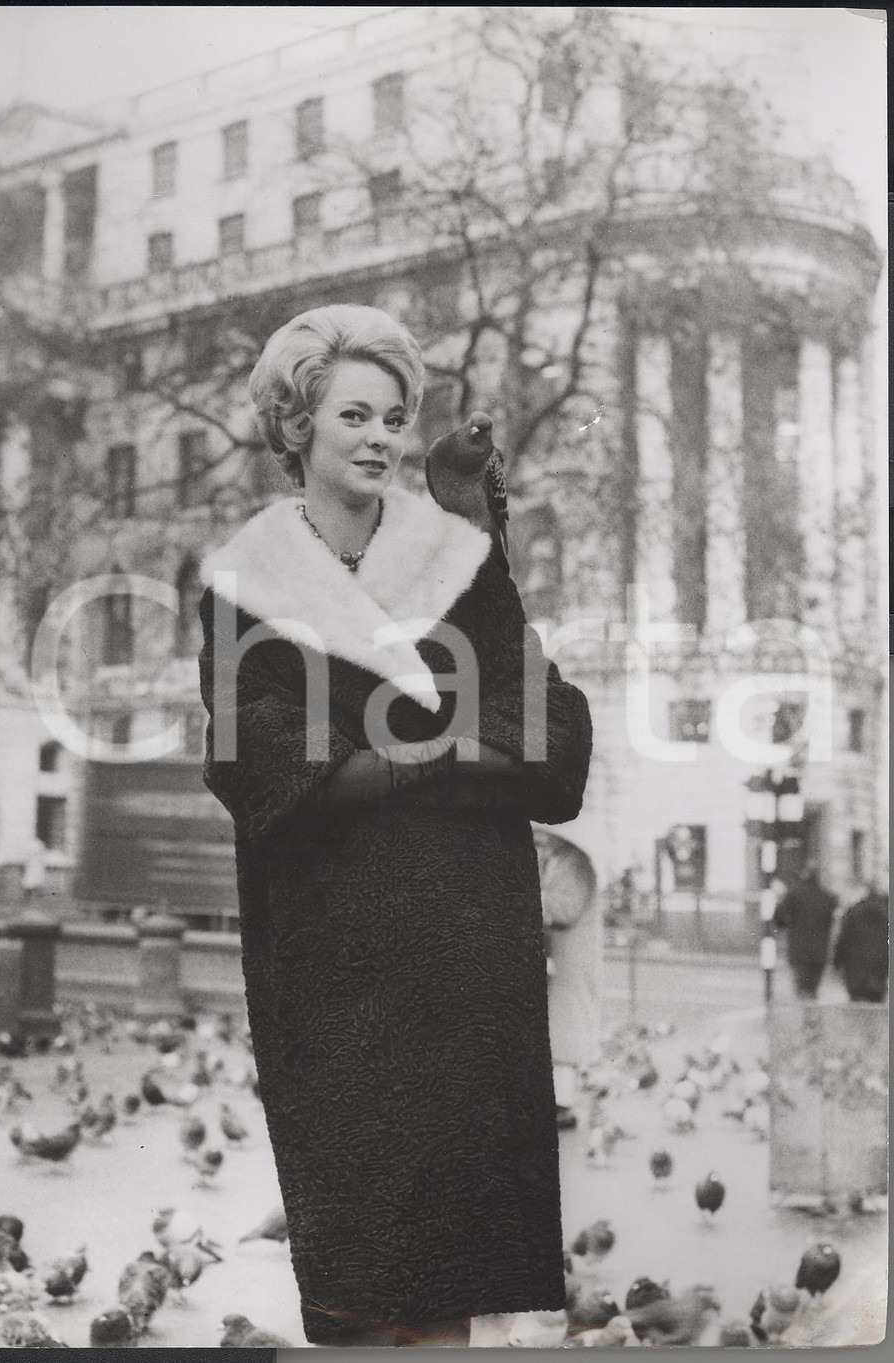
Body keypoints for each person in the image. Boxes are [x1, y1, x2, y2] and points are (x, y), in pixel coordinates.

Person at [198, 305, 592, 1348]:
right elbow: (260, 761)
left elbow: (548, 732)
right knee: (355, 1292)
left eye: (394, 416)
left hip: (467, 963)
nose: (380, 437)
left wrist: (400, 756)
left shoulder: (457, 561)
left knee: (444, 1299)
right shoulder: (248, 583)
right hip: (338, 968)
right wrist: (458, 750)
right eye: (354, 415)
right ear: (297, 427)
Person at [535, 828, 602, 1131]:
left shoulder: (573, 864)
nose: (539, 840)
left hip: (570, 960)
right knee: (557, 1028)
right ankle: (556, 1100)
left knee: (564, 1030)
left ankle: (562, 1105)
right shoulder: (562, 860)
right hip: (563, 958)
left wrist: (532, 902)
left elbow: (564, 909)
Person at [772, 862, 838, 1000]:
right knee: (813, 988)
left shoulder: (794, 895)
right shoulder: (827, 897)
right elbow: (831, 920)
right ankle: (811, 1017)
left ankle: (804, 1015)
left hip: (799, 950)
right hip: (819, 951)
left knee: (800, 987)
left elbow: (779, 917)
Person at [832, 885, 889, 1003]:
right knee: (875, 1009)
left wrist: (837, 962)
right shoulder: (886, 915)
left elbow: (843, 939)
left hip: (855, 972)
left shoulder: (853, 912)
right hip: (878, 973)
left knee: (857, 1008)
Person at [21, 835, 47, 906]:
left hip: (36, 867)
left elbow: (42, 857)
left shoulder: (39, 845)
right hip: (32, 867)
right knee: (30, 883)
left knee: (35, 883)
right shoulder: (35, 845)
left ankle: (36, 901)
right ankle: (28, 900)